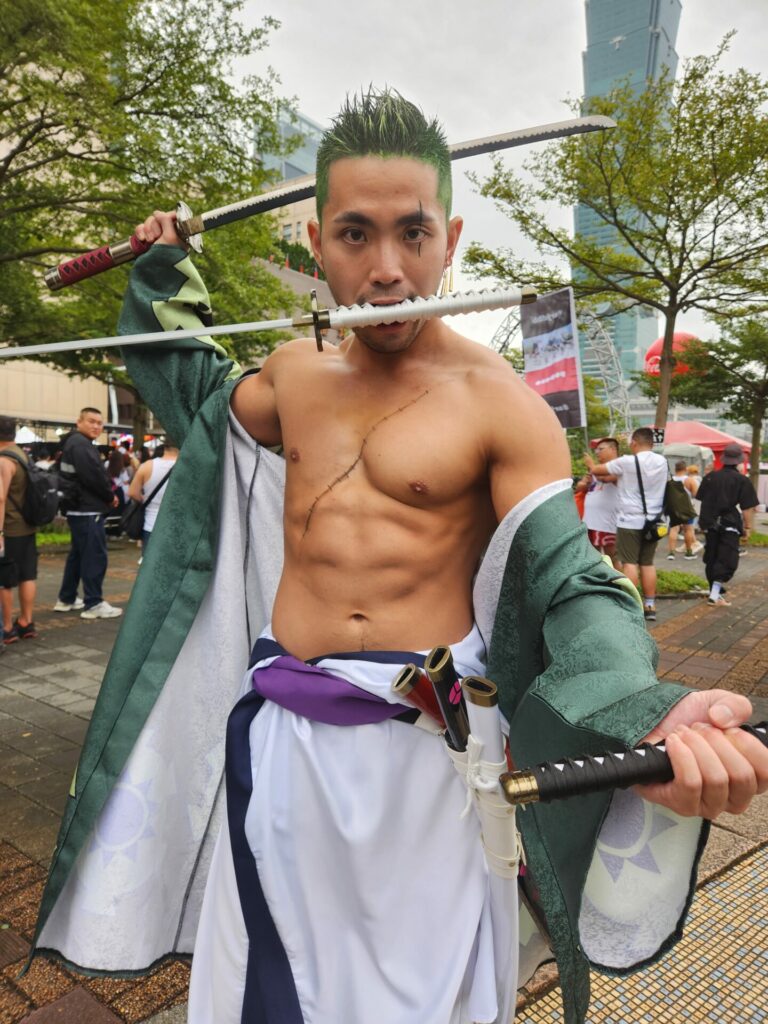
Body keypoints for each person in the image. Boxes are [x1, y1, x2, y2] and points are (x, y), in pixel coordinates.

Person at [32, 90, 768, 1024]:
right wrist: (165, 265)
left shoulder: (501, 404)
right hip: (283, 740)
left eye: (413, 233)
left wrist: (651, 706)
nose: (386, 270)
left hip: (425, 763)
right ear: (314, 242)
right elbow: (196, 392)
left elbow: (574, 582)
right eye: (355, 235)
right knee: (267, 987)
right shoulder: (293, 375)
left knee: (414, 1002)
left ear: (452, 235)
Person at [585, 426, 668, 622]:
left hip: (629, 521)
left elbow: (597, 470)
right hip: (653, 522)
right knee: (647, 563)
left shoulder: (627, 462)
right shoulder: (662, 461)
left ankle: (630, 604)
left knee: (629, 562)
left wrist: (589, 461)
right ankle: (650, 605)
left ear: (634, 443)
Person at [54, 407, 123, 619]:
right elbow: (93, 477)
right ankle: (93, 603)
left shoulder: (72, 443)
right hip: (87, 508)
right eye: (91, 421)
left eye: (99, 423)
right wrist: (109, 497)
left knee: (78, 555)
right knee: (94, 556)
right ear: (79, 422)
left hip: (78, 508)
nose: (96, 426)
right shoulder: (81, 445)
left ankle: (66, 598)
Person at [696, 442, 758, 608]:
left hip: (710, 523)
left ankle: (714, 592)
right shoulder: (741, 480)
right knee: (727, 559)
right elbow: (747, 508)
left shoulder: (710, 477)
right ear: (738, 460)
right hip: (729, 524)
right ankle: (715, 594)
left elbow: (701, 499)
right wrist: (747, 528)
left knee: (712, 557)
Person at [0, 416, 39, 643]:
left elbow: (1, 498)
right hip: (27, 527)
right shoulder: (23, 455)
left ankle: (7, 628)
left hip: (10, 529)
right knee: (27, 575)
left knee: (4, 580)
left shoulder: (4, 460)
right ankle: (26, 622)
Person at [127, 441, 178, 557]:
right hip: (177, 526)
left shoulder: (147, 466)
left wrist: (146, 500)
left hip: (151, 525)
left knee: (149, 567)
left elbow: (132, 492)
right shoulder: (188, 467)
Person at [581, 437, 620, 565]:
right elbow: (580, 487)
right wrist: (585, 484)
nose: (597, 452)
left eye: (601, 449)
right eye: (596, 449)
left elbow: (607, 478)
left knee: (613, 558)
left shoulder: (620, 465)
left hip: (608, 524)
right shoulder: (596, 469)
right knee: (593, 559)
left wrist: (591, 466)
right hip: (590, 522)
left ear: (613, 449)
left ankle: (619, 585)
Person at [666, 460, 702, 561]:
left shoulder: (670, 480)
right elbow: (696, 494)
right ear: (685, 469)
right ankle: (689, 552)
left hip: (674, 507)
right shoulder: (689, 480)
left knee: (674, 529)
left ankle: (671, 553)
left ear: (675, 469)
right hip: (687, 507)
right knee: (688, 529)